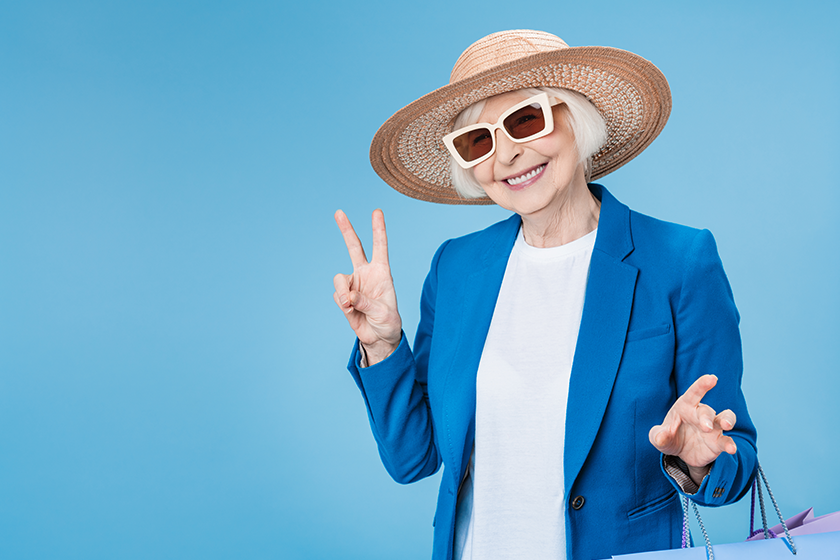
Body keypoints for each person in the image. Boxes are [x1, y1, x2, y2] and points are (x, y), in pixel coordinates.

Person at [332, 30, 757, 560]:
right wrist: (384, 345)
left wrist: (699, 461)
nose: (507, 153)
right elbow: (412, 459)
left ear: (576, 120)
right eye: (478, 141)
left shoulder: (679, 260)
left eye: (526, 120)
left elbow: (737, 461)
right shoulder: (456, 268)